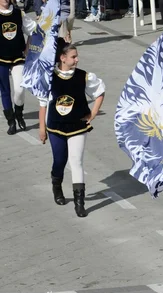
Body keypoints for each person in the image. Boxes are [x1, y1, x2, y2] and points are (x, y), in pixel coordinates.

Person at [38, 39, 105, 218]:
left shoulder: (84, 76)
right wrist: (42, 128)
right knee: (60, 160)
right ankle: (57, 185)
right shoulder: (49, 76)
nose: (77, 60)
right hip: (56, 126)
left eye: (77, 57)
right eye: (73, 57)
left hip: (77, 126)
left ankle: (79, 203)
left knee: (76, 162)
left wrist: (93, 114)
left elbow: (100, 92)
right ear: (62, 58)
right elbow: (43, 103)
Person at [0, 0, 36, 135]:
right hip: (1, 59)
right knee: (4, 90)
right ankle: (11, 121)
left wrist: (28, 48)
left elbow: (33, 30)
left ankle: (19, 113)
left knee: (20, 90)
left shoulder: (18, 13)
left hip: (17, 57)